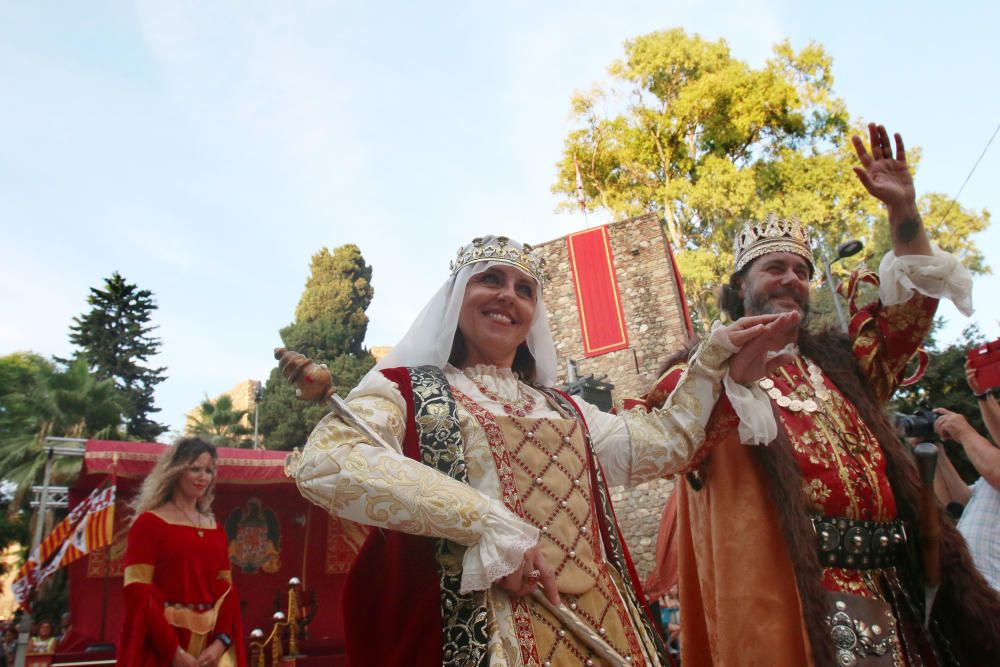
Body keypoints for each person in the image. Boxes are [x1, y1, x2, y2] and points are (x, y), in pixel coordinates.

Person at [287, 234, 795, 666]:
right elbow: (329, 462)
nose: (508, 296)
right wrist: (484, 520)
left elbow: (667, 445)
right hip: (486, 634)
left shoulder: (565, 409)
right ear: (456, 297)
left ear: (535, 316)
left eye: (524, 289)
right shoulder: (403, 391)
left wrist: (711, 361)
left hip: (601, 629)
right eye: (490, 280)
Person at [641, 123, 1000, 666]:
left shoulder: (843, 363)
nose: (791, 279)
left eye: (801, 271)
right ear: (741, 286)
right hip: (795, 603)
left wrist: (902, 210)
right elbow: (661, 435)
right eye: (775, 268)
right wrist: (721, 374)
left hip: (897, 592)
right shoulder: (704, 375)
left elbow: (907, 315)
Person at [118, 438, 245, 667]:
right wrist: (173, 652)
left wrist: (220, 643)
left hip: (210, 650)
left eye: (208, 470)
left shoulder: (214, 529)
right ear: (176, 471)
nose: (202, 477)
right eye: (195, 469)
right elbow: (138, 592)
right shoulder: (149, 524)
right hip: (161, 646)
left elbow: (226, 590)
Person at [931, 363, 1000, 591]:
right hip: (978, 597)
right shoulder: (988, 480)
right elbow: (957, 502)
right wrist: (935, 451)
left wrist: (964, 432)